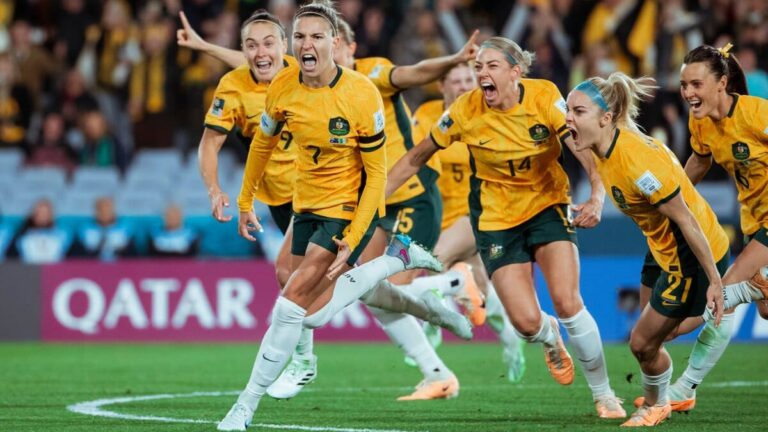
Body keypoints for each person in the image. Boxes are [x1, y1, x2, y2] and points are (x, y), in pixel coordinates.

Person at [181, 10, 480, 402]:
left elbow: (412, 74)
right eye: (251, 46)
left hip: (326, 195)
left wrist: (455, 59)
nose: (260, 53)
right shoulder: (239, 85)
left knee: (297, 286)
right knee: (360, 289)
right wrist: (205, 48)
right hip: (280, 199)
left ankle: (303, 360)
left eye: (270, 43)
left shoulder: (310, 72)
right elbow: (223, 116)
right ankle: (438, 349)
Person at [387, 36, 625, 419]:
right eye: (478, 67)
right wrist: (376, 199)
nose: (481, 74)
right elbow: (417, 156)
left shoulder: (545, 96)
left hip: (547, 207)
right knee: (527, 324)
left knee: (567, 301)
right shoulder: (465, 110)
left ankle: (605, 394)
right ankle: (549, 340)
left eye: (491, 66)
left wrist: (597, 194)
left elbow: (581, 146)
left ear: (516, 72)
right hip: (496, 220)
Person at [564, 72, 732, 426]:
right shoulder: (603, 147)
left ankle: (657, 404)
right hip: (660, 246)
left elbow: (687, 220)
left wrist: (716, 280)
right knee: (653, 335)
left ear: (605, 118)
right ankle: (664, 394)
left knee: (642, 343)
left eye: (578, 111)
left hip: (686, 251)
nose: (568, 118)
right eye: (567, 110)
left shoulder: (636, 161)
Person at [632, 43, 768, 413]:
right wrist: (670, 197)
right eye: (684, 85)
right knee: (764, 309)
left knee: (726, 295)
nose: (688, 93)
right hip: (753, 220)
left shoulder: (758, 115)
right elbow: (698, 162)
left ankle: (685, 388)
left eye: (696, 84)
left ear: (721, 83)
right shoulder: (701, 121)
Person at [410, 61, 526, 383]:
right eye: (456, 80)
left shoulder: (483, 115)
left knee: (434, 262)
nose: (463, 85)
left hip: (474, 214)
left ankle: (429, 329)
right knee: (481, 297)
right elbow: (418, 156)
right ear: (442, 86)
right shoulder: (427, 114)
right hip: (436, 216)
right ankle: (512, 344)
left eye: (468, 80)